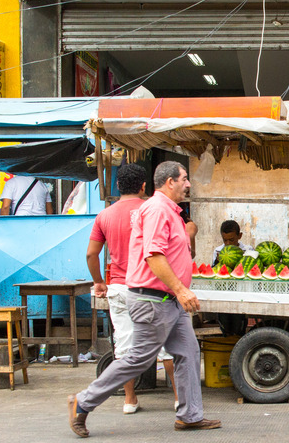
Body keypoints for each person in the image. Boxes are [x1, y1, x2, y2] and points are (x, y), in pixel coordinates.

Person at [69, 161, 221, 438]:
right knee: (138, 359)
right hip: (154, 300)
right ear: (169, 181)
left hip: (169, 301)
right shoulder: (156, 209)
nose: (188, 184)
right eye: (184, 178)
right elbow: (153, 255)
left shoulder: (171, 211)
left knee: (188, 353)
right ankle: (83, 401)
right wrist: (181, 289)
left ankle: (189, 416)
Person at [85, 163, 178, 414]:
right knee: (166, 345)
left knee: (124, 346)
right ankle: (179, 398)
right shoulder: (152, 210)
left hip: (119, 288)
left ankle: (130, 399)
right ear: (144, 186)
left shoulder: (104, 216)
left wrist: (98, 282)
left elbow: (92, 254)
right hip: (150, 288)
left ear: (117, 186)